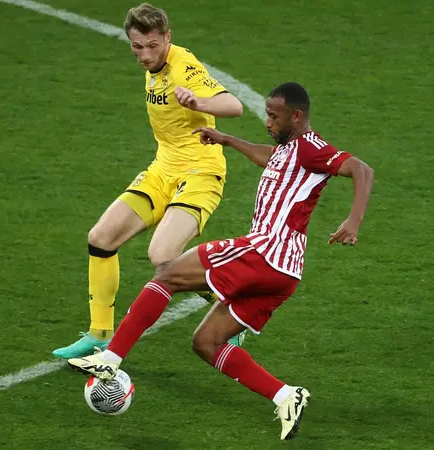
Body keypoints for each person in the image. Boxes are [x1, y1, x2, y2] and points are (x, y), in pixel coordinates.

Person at [68, 82, 374, 440]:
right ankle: (285, 396)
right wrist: (228, 140)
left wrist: (353, 220)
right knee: (207, 343)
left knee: (167, 274)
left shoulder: (311, 147)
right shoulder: (290, 150)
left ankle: (110, 359)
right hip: (285, 273)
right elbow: (270, 156)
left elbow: (361, 169)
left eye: (273, 116)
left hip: (265, 251)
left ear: (296, 116)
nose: (267, 122)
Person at [53, 3, 244, 359]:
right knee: (101, 237)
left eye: (153, 46)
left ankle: (230, 305)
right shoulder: (154, 66)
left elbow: (234, 106)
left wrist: (198, 101)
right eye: (137, 46)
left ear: (167, 38)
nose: (144, 55)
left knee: (163, 256)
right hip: (162, 170)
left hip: (200, 172)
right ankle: (99, 334)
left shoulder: (184, 66)